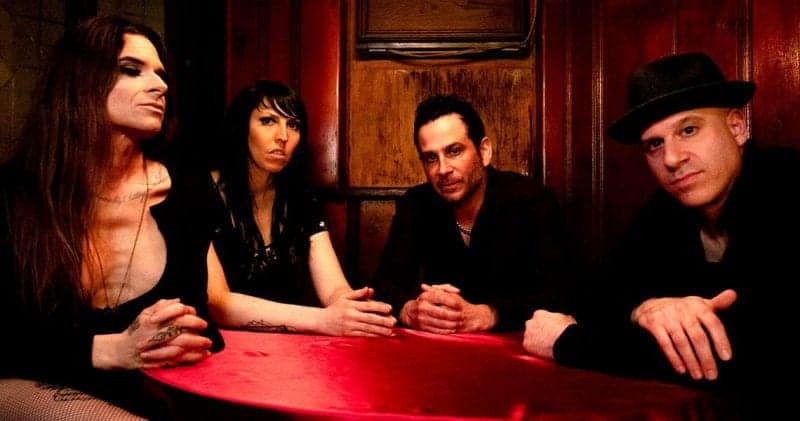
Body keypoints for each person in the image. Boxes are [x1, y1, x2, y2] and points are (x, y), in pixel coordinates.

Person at [523, 52, 800, 413]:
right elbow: (592, 297)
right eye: (655, 144)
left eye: (689, 130)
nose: (671, 159)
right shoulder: (665, 211)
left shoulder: (788, 187)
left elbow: (747, 356)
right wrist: (645, 310)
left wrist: (569, 344)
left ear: (736, 127)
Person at [0, 16, 224, 418]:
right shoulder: (15, 196)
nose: (160, 86)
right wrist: (112, 349)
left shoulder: (188, 195)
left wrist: (177, 334)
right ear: (80, 80)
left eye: (160, 74)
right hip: (30, 390)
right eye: (131, 70)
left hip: (154, 397)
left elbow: (198, 323)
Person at [206, 80, 397, 336]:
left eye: (293, 125)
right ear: (241, 127)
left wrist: (353, 308)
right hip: (217, 345)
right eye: (268, 121)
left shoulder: (300, 198)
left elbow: (333, 288)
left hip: (287, 346)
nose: (283, 136)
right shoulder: (201, 194)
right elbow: (219, 304)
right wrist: (322, 320)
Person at [374, 94, 575, 333]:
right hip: (442, 345)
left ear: (484, 151)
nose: (443, 169)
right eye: (431, 158)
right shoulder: (416, 204)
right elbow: (384, 287)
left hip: (516, 344)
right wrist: (410, 310)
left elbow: (564, 293)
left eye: (454, 151)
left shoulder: (531, 200)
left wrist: (489, 314)